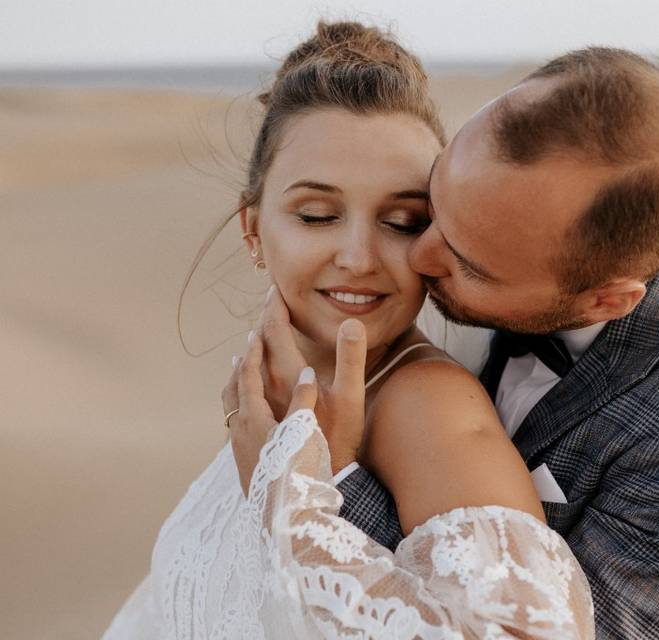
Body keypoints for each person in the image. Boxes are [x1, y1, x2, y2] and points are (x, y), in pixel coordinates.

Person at [253, 48, 659, 638]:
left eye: (468, 265)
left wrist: (323, 485)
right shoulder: (515, 227)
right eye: (429, 211)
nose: (419, 259)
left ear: (606, 299)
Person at [102, 21, 594, 639]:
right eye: (318, 215)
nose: (359, 256)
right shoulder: (274, 387)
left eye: (402, 220)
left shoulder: (426, 406)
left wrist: (297, 495)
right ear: (253, 229)